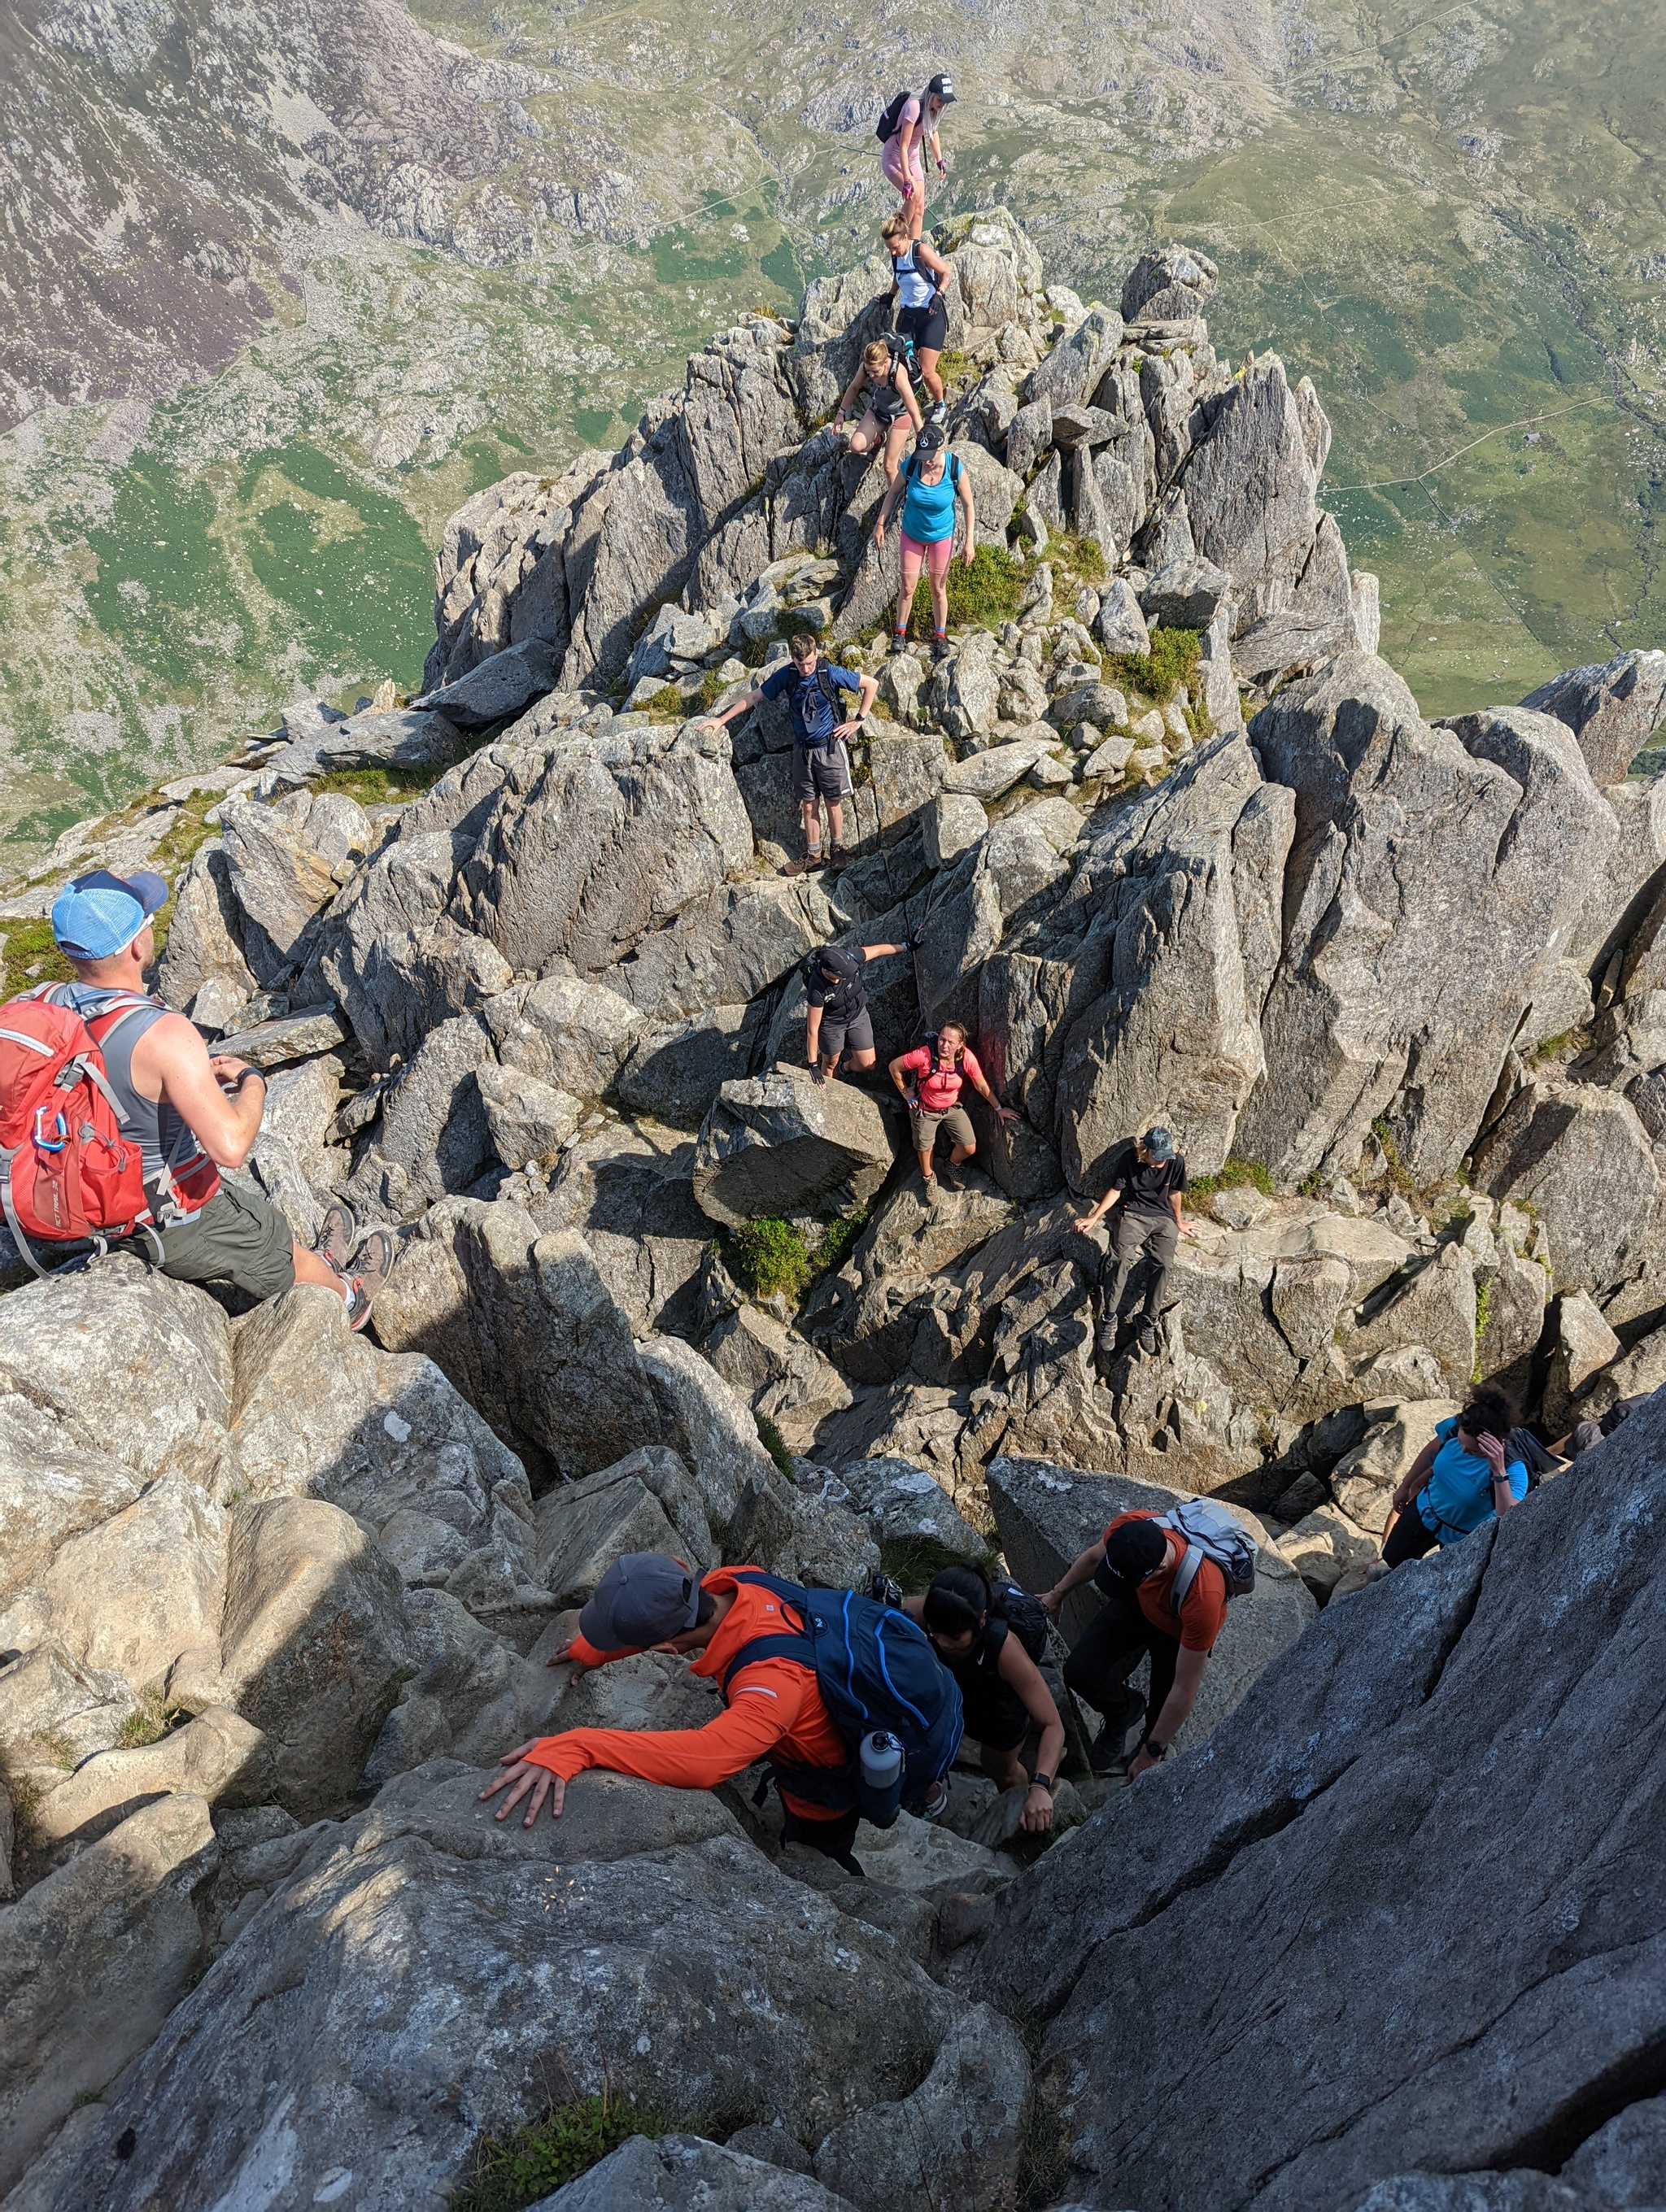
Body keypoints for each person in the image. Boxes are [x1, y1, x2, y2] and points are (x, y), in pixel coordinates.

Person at [17, 869, 391, 1324]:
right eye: (147, 921)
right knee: (267, 1233)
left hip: (70, 1198)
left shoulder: (38, 1005)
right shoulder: (164, 1035)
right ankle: (347, 1298)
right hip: (158, 1217)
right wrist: (254, 1081)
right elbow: (230, 1147)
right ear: (137, 946)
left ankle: (322, 1266)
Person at [481, 1552, 869, 1871]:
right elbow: (672, 1615)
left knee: (815, 1852)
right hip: (803, 1693)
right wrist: (596, 1649)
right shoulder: (738, 1580)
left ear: (666, 1649)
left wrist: (579, 1745)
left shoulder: (772, 1684)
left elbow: (706, 1759)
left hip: (826, 1781)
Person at [1040, 1509, 1225, 1779]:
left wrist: (1152, 1751)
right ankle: (1123, 1710)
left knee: (1162, 1702)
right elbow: (1094, 1558)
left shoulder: (1203, 1597)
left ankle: (1145, 1748)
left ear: (1159, 1568)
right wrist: (1057, 1595)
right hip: (1140, 1601)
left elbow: (1184, 1688)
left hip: (1178, 1627)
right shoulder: (1132, 1528)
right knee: (1079, 1671)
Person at [905, 1565, 1063, 1833]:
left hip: (997, 1706)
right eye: (935, 1632)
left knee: (999, 1768)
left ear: (980, 1621)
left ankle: (1020, 1808)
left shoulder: (1005, 1649)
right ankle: (926, 1791)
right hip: (955, 1686)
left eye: (954, 1636)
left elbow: (1052, 1724)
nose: (942, 1643)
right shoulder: (930, 1610)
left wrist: (1040, 1787)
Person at [703, 634, 878, 873]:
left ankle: (838, 850)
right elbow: (754, 696)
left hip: (830, 747)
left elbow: (871, 684)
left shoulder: (829, 672)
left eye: (809, 663)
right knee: (808, 805)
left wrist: (858, 721)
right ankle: (814, 856)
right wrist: (721, 720)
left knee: (833, 802)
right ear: (793, 660)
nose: (806, 669)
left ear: (816, 654)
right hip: (803, 750)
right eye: (800, 664)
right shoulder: (788, 675)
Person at [1072, 1126, 1188, 1360]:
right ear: (1146, 1150)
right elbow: (1116, 1190)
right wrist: (1094, 1218)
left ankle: (1148, 1320)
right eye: (1158, 1157)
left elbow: (1175, 1193)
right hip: (1133, 1213)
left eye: (1166, 1156)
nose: (1162, 1162)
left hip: (1163, 1218)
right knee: (1121, 1257)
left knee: (1164, 1264)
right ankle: (1109, 1317)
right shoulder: (1130, 1159)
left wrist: (1180, 1222)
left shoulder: (1175, 1162)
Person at [1381, 1387, 1529, 1565]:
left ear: (1497, 1442)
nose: (1464, 1451)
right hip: (1425, 1510)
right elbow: (1431, 1452)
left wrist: (1498, 1471)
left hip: (1462, 1538)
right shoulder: (1454, 1427)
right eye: (1461, 1442)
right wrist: (1405, 1486)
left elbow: (1509, 1518)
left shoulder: (1514, 1469)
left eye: (1474, 1450)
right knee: (1392, 1558)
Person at [873, 420, 975, 661]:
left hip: (942, 537)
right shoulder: (912, 465)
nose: (926, 460)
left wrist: (969, 541)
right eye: (923, 454)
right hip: (912, 534)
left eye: (930, 455)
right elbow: (893, 493)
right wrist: (880, 524)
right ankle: (900, 632)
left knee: (938, 588)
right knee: (908, 587)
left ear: (942, 448)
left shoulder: (955, 468)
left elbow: (969, 505)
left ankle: (940, 636)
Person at [889, 1020, 1017, 1203]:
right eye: (942, 1039)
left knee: (969, 1146)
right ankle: (929, 1179)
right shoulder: (924, 1055)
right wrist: (905, 1092)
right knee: (925, 1147)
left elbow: (980, 1085)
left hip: (951, 1107)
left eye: (951, 1042)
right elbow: (894, 1067)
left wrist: (999, 1108)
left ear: (960, 1045)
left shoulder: (966, 1058)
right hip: (925, 1108)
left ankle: (951, 1165)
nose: (944, 1045)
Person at [805, 940, 909, 1085]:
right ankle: (831, 1092)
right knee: (830, 1063)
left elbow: (878, 950)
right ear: (827, 972)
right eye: (843, 974)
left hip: (857, 1014)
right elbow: (812, 1030)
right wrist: (813, 1064)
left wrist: (906, 947)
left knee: (867, 1064)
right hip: (832, 1023)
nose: (847, 975)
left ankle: (844, 1067)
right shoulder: (817, 988)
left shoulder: (851, 956)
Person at [881, 211, 952, 416]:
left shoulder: (919, 251)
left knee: (927, 370)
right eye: (889, 249)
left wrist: (939, 294)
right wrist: (890, 295)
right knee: (901, 366)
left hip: (931, 317)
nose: (893, 253)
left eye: (895, 247)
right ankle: (906, 406)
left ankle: (940, 404)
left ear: (905, 237)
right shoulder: (896, 256)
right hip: (909, 318)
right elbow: (898, 275)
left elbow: (946, 272)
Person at [832, 337, 924, 490]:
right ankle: (878, 439)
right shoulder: (866, 366)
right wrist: (841, 412)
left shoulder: (898, 373)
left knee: (889, 467)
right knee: (856, 446)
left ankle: (895, 502)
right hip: (878, 411)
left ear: (885, 362)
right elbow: (854, 387)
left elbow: (913, 409)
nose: (871, 376)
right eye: (868, 371)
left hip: (901, 415)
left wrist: (923, 437)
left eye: (875, 371)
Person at [879, 75, 955, 242]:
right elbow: (904, 147)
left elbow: (933, 131)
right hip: (894, 156)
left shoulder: (934, 110)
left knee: (920, 207)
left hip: (912, 158)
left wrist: (939, 160)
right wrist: (907, 180)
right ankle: (895, 242)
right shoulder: (914, 107)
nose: (942, 104)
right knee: (913, 196)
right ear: (931, 94)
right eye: (940, 99)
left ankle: (914, 252)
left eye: (945, 101)